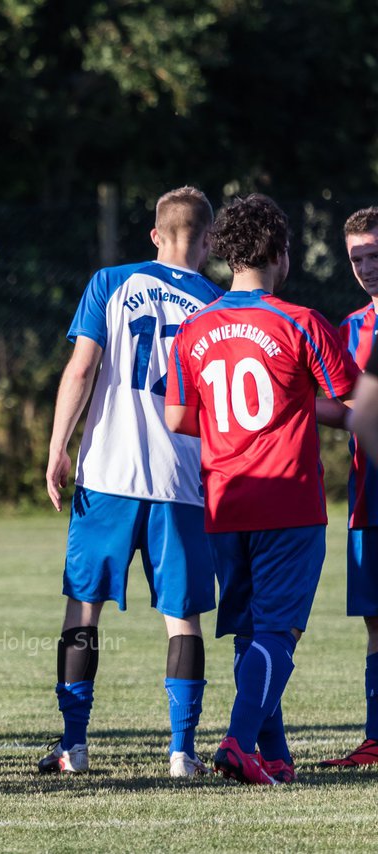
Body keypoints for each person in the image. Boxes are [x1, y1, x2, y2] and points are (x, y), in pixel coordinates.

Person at [165, 193, 358, 784]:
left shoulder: (195, 327)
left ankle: (273, 755)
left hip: (224, 499)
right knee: (280, 629)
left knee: (252, 630)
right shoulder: (300, 321)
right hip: (287, 499)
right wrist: (297, 406)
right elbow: (354, 403)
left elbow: (177, 418)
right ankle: (240, 742)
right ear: (281, 253)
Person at [41, 187, 222, 778]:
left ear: (154, 235)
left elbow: (82, 367)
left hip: (109, 474)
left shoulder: (110, 282)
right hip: (182, 479)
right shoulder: (219, 306)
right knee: (183, 617)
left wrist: (58, 446)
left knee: (83, 608)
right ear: (209, 240)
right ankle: (182, 751)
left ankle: (75, 745)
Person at [319, 206, 378, 769]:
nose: (366, 267)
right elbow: (341, 409)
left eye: (375, 255)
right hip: (370, 499)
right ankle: (376, 738)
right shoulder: (347, 329)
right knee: (375, 621)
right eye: (357, 258)